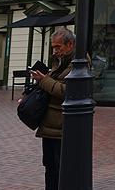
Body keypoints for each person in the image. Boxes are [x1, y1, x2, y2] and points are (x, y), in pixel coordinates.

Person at [30, 28, 75, 190]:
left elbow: (66, 91)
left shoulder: (77, 63)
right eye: (53, 47)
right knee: (50, 166)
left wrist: (44, 80)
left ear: (70, 44)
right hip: (50, 125)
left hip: (61, 125)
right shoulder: (59, 61)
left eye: (58, 47)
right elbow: (51, 86)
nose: (55, 51)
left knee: (59, 167)